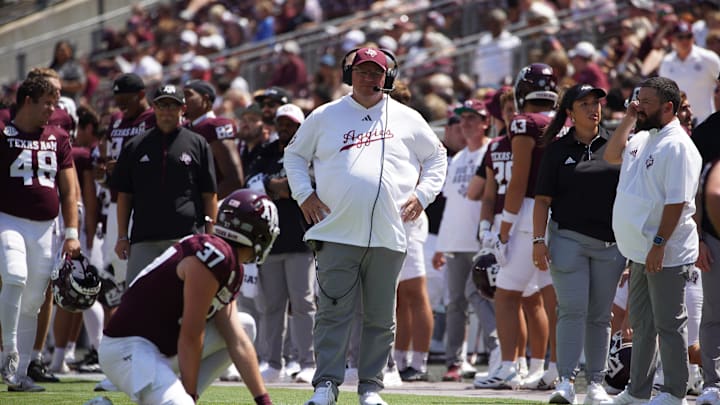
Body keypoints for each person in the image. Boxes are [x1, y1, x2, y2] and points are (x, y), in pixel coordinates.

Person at [284, 47, 447, 405]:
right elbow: (294, 156)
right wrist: (303, 195)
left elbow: (437, 156)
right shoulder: (325, 115)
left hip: (389, 234)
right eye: (362, 71)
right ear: (349, 75)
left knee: (380, 317)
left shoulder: (407, 117)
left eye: (376, 72)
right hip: (336, 232)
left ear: (388, 77)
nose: (368, 78)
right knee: (332, 313)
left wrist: (423, 195)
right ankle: (326, 385)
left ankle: (370, 387)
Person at [98, 189, 279, 405]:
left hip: (159, 347)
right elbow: (192, 334)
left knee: (245, 326)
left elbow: (236, 339)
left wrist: (264, 401)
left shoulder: (228, 263)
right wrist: (188, 397)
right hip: (127, 347)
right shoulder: (215, 256)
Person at [603, 76, 702, 405]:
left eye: (645, 102)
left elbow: (677, 203)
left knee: (669, 324)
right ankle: (638, 391)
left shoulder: (678, 145)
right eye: (637, 99)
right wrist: (630, 117)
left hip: (666, 251)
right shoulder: (643, 136)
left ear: (667, 107)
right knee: (643, 323)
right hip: (640, 250)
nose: (638, 105)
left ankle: (675, 392)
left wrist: (659, 244)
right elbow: (611, 155)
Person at [531, 84, 626, 404]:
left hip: (611, 245)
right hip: (567, 238)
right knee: (572, 310)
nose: (593, 108)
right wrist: (537, 240)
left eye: (596, 102)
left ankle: (596, 384)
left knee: (600, 316)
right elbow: (542, 200)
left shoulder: (619, 142)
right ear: (570, 113)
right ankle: (566, 382)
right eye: (584, 104)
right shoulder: (557, 150)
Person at [0, 76, 81, 391]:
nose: (53, 108)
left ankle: (18, 377)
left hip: (46, 227)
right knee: (15, 276)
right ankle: (8, 354)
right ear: (27, 101)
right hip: (8, 219)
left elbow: (68, 188)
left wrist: (72, 232)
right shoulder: (4, 135)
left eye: (55, 101)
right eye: (47, 101)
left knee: (34, 301)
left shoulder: (58, 137)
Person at [484, 63, 558, 390]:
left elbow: (519, 179)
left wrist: (503, 229)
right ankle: (555, 367)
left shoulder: (524, 123)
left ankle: (509, 366)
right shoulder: (567, 119)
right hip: (561, 214)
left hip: (529, 213)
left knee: (506, 294)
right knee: (550, 296)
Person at [112, 84, 218, 285]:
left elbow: (209, 193)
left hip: (186, 237)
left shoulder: (198, 143)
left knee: (184, 298)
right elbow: (124, 195)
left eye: (172, 105)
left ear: (182, 109)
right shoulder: (135, 145)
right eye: (162, 105)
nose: (167, 111)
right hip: (144, 237)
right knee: (138, 297)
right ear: (154, 107)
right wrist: (122, 236)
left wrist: (210, 235)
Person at [244, 103, 317, 384]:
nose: (285, 129)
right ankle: (272, 362)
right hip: (269, 241)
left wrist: (275, 186)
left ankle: (307, 361)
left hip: (301, 239)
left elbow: (307, 185)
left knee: (303, 303)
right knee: (272, 305)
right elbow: (249, 183)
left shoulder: (311, 151)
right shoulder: (265, 152)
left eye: (291, 124)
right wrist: (277, 186)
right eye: (281, 123)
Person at [431, 99, 494, 382]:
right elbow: (452, 204)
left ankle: (499, 355)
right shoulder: (456, 159)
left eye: (472, 118)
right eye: (461, 119)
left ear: (485, 122)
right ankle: (455, 362)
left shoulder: (491, 150)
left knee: (485, 301)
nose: (465, 123)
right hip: (455, 241)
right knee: (455, 303)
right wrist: (442, 245)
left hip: (482, 241)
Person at [183, 79, 244, 199]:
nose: (183, 100)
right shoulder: (183, 127)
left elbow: (234, 179)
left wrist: (206, 204)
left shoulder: (216, 126)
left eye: (188, 95)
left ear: (205, 99)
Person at [659, 21, 720, 125]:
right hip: (679, 124)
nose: (685, 40)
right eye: (680, 37)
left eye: (689, 36)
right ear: (673, 39)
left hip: (706, 121)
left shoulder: (708, 58)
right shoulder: (666, 62)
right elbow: (664, 94)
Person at [697, 158, 720, 405]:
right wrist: (699, 238)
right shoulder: (707, 135)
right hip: (712, 240)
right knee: (713, 314)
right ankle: (712, 384)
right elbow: (700, 193)